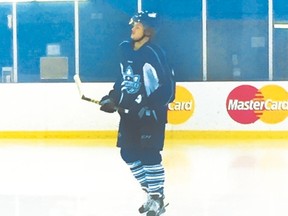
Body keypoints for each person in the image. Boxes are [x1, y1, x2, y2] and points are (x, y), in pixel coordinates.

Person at [99, 11, 175, 216]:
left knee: (149, 155)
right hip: (129, 114)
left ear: (148, 31)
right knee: (128, 154)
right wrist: (112, 98)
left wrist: (150, 106)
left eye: (138, 26)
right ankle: (151, 193)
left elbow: (169, 89)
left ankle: (157, 199)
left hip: (151, 115)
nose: (132, 28)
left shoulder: (155, 53)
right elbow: (122, 78)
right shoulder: (125, 50)